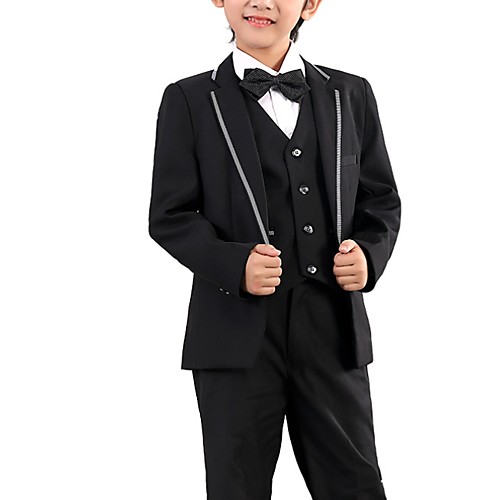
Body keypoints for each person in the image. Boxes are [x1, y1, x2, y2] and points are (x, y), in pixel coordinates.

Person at [148, 0, 401, 498]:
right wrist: (233, 264)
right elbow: (169, 215)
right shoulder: (189, 99)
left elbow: (381, 198)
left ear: (311, 4)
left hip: (333, 332)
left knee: (354, 484)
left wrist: (369, 255)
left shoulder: (350, 93)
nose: (261, 2)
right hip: (233, 336)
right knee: (236, 487)